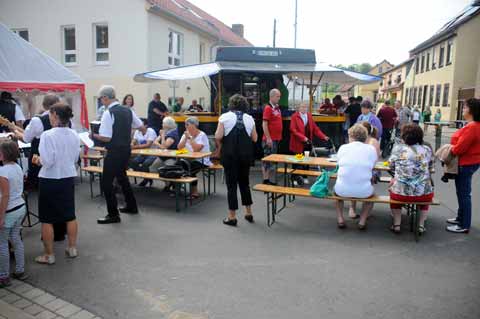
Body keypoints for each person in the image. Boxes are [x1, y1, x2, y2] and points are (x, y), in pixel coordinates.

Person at [17, 94, 67, 242]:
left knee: (46, 200)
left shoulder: (37, 121)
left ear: (45, 106)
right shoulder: (65, 120)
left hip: (41, 163)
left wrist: (15, 131)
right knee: (61, 199)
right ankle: (60, 231)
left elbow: (26, 138)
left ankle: (49, 233)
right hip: (62, 164)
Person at [34, 103, 80, 264]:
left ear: (54, 115)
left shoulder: (48, 135)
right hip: (68, 177)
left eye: (50, 115)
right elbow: (75, 159)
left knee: (47, 218)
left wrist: (38, 159)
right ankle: (72, 248)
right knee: (70, 214)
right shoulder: (74, 134)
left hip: (50, 179)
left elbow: (47, 161)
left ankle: (49, 255)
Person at [93, 85, 143, 224]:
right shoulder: (128, 110)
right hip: (126, 149)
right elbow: (141, 126)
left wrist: (93, 135)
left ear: (105, 97)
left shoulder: (109, 113)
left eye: (101, 99)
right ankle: (132, 206)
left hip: (114, 151)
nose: (101, 101)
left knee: (107, 182)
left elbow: (106, 137)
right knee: (122, 177)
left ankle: (113, 214)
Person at [215, 94, 257, 227]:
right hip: (245, 156)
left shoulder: (224, 117)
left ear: (231, 104)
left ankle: (232, 217)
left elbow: (218, 135)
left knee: (231, 186)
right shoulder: (250, 118)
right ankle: (249, 213)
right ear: (245, 105)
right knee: (245, 183)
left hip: (230, 155)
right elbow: (255, 138)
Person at [388, 124, 434, 234]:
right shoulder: (427, 149)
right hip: (423, 194)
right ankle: (421, 225)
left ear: (404, 136)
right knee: (425, 191)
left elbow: (391, 166)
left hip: (400, 193)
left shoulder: (398, 149)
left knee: (394, 189)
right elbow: (431, 166)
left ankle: (397, 224)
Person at [334, 124, 378, 230]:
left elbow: (338, 162)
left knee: (336, 194)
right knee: (371, 196)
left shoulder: (343, 148)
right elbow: (373, 164)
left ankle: (340, 218)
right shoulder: (371, 149)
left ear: (351, 136)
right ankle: (362, 221)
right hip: (364, 191)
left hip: (342, 189)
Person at [446, 98, 480, 233]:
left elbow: (460, 148)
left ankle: (464, 224)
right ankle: (461, 218)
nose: (463, 109)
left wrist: (451, 149)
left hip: (466, 162)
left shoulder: (472, 126)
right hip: (470, 162)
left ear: (471, 110)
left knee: (464, 194)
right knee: (462, 193)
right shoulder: (473, 125)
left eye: (465, 107)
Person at [0, 141, 27, 287]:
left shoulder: (3, 172)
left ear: (3, 154)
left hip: (9, 210)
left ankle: (3, 276)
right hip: (20, 207)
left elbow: (5, 196)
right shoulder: (17, 167)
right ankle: (20, 270)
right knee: (16, 239)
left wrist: (1, 217)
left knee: (2, 243)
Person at [289, 103, 329, 185]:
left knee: (306, 161)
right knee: (297, 161)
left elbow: (315, 128)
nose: (304, 108)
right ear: (298, 108)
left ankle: (304, 176)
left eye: (305, 107)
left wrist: (323, 136)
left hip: (307, 143)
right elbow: (293, 130)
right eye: (302, 107)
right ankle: (294, 178)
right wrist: (303, 137)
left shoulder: (309, 116)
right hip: (298, 143)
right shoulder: (294, 116)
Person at [177, 117, 212, 198]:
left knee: (190, 169)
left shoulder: (202, 135)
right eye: (185, 125)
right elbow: (179, 147)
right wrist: (185, 138)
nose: (186, 126)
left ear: (194, 125)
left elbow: (196, 149)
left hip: (202, 160)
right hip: (188, 158)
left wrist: (190, 138)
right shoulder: (185, 134)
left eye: (187, 125)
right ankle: (177, 189)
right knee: (177, 166)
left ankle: (194, 193)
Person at [149, 116, 180, 191]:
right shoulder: (166, 131)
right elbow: (155, 142)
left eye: (163, 123)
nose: (162, 124)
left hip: (172, 156)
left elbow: (165, 146)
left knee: (168, 171)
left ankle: (174, 184)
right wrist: (161, 145)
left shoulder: (173, 133)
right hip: (163, 156)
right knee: (152, 169)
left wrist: (162, 136)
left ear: (167, 125)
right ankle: (168, 183)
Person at [262, 89, 283, 185]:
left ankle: (269, 180)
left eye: (279, 96)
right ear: (272, 97)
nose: (279, 98)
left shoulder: (277, 108)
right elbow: (264, 124)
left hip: (276, 138)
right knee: (267, 160)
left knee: (272, 160)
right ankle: (266, 180)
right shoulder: (268, 108)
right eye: (277, 96)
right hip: (270, 139)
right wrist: (268, 138)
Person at [129, 118, 157, 187]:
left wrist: (134, 147)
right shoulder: (137, 131)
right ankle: (147, 177)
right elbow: (134, 140)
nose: (138, 126)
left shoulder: (151, 131)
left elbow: (148, 145)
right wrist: (132, 144)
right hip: (142, 153)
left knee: (146, 164)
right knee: (133, 162)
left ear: (146, 125)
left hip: (152, 153)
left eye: (140, 124)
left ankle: (146, 179)